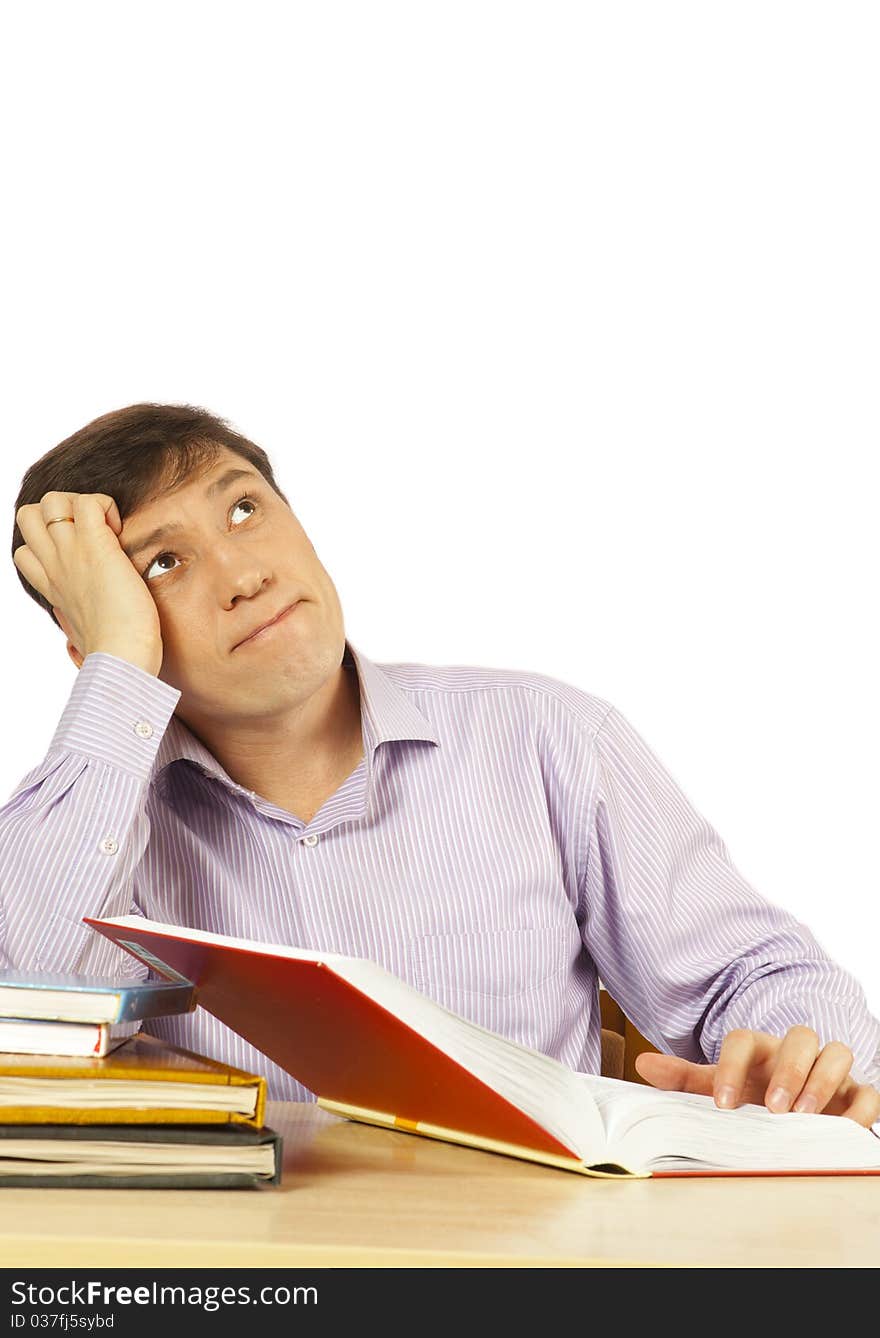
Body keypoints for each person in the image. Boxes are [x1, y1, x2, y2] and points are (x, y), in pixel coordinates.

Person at [5, 402, 879, 1127]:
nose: (243, 576)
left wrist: (796, 1060)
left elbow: (753, 974)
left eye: (244, 509)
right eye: (162, 564)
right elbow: (35, 1007)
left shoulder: (548, 736)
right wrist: (120, 661)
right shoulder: (89, 818)